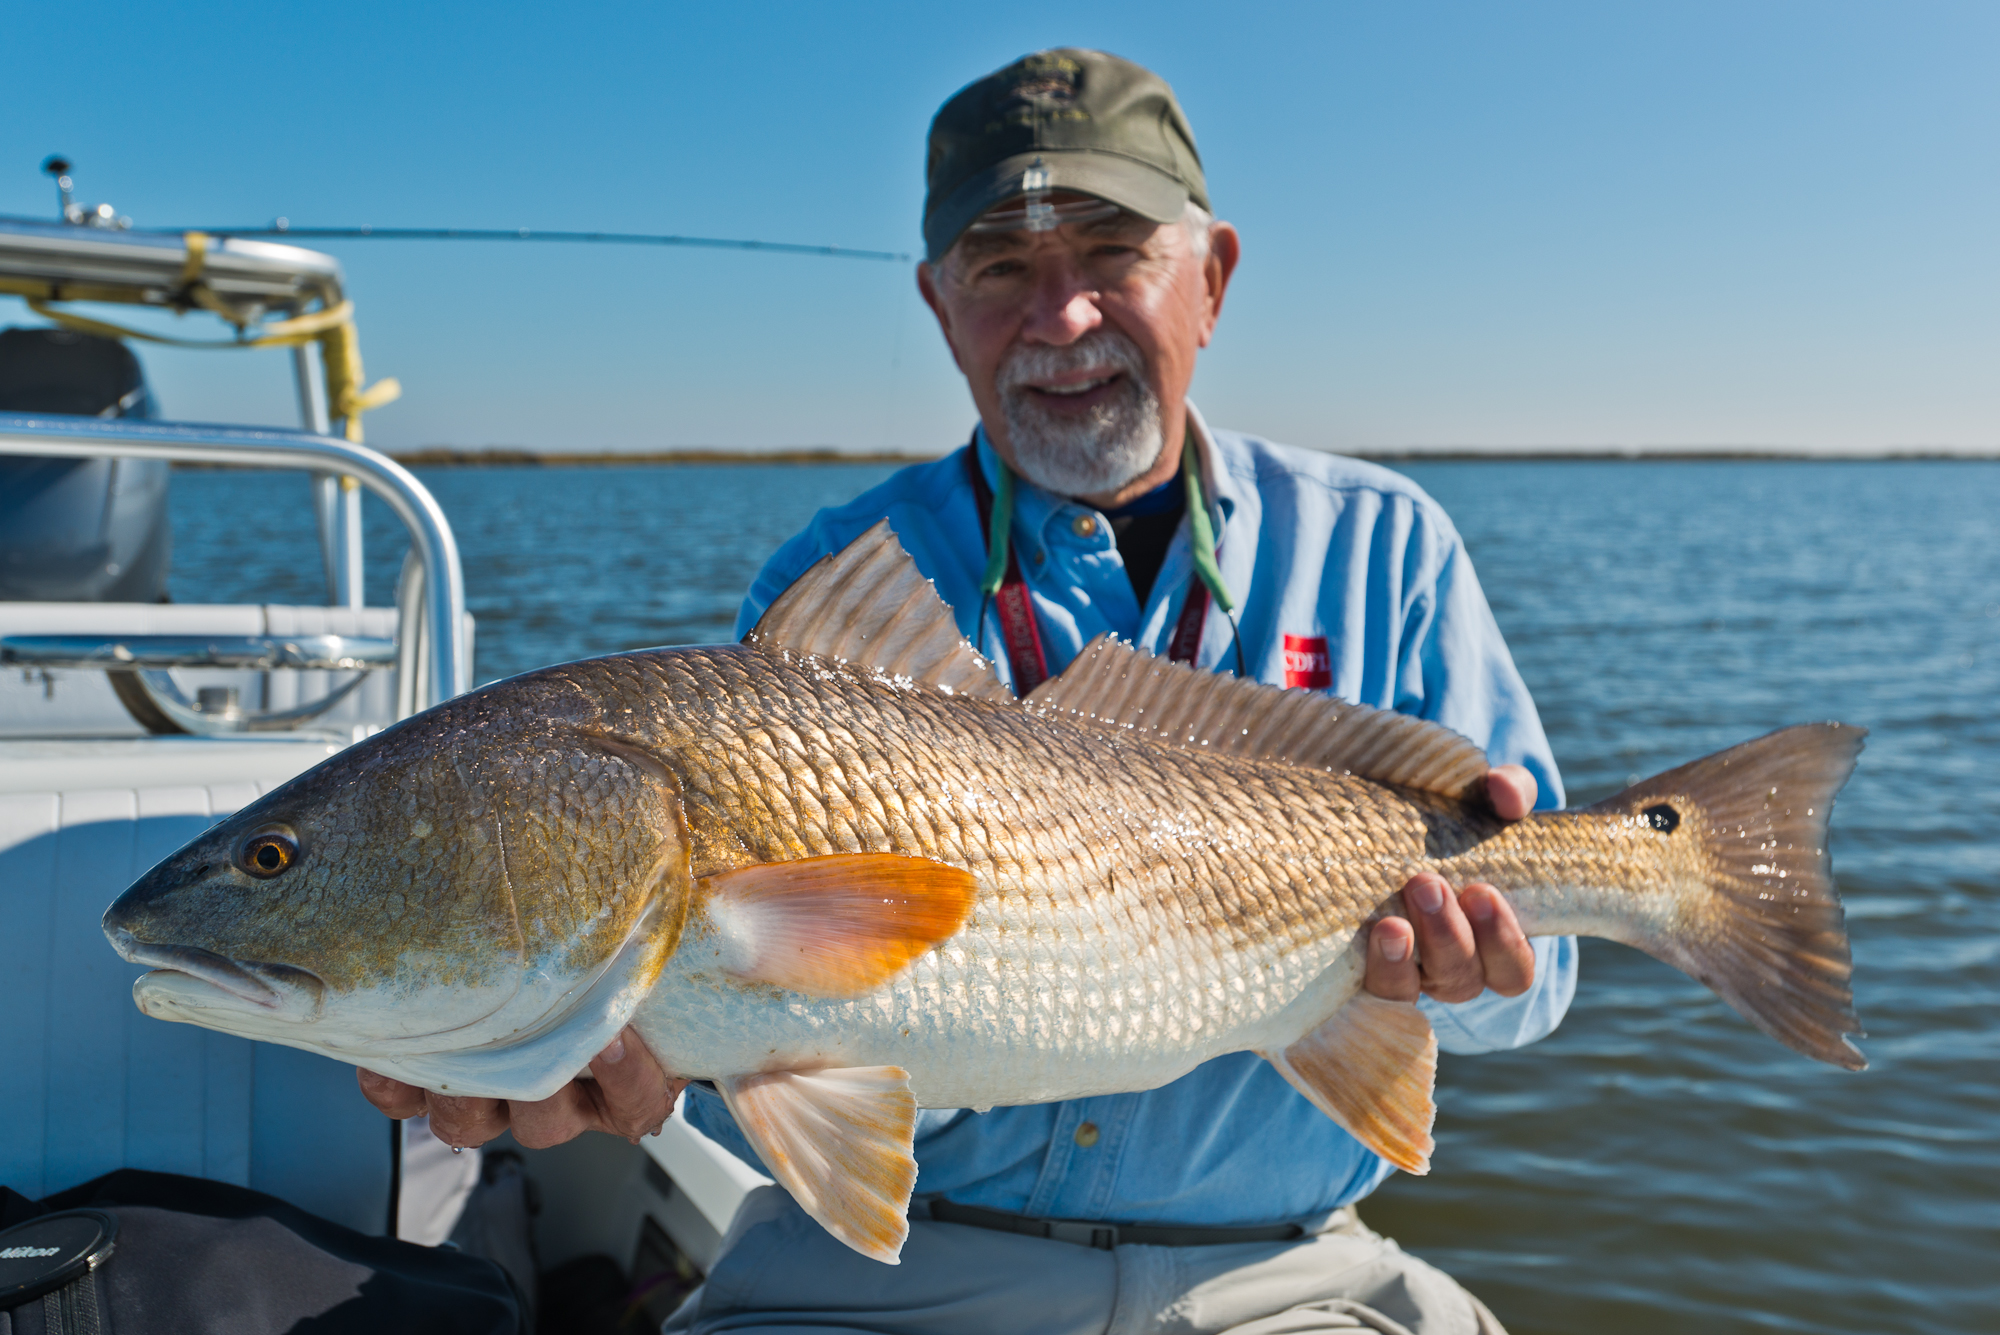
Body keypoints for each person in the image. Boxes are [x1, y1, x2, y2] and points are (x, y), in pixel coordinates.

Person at [363, 48, 1577, 1334]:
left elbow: (1538, 983)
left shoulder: (1383, 548)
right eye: (1001, 268)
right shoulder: (829, 586)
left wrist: (1474, 974)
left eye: (1111, 256)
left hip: (1288, 1271)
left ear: (1209, 280)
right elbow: (829, 1041)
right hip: (893, 1274)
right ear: (939, 307)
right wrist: (649, 1051)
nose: (1059, 319)